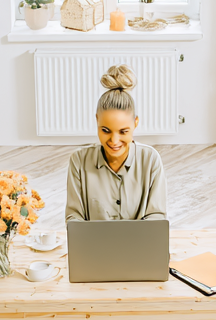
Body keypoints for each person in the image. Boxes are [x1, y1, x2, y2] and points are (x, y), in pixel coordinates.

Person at [65, 64, 167, 222]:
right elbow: (74, 217)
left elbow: (157, 215)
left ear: (135, 123)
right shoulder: (79, 161)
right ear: (97, 120)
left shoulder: (150, 159)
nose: (114, 141)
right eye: (105, 130)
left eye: (123, 131)